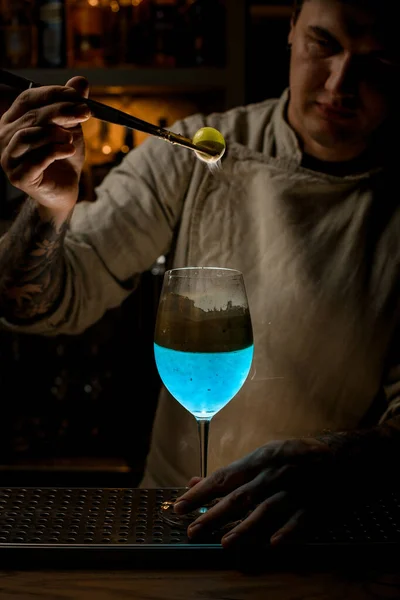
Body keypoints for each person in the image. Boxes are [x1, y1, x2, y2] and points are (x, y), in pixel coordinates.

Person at [1, 0, 400, 549]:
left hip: (317, 540)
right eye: (323, 44)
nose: (339, 83)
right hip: (168, 520)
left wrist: (343, 461)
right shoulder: (196, 149)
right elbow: (41, 304)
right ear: (290, 30)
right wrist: (45, 211)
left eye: (378, 62)